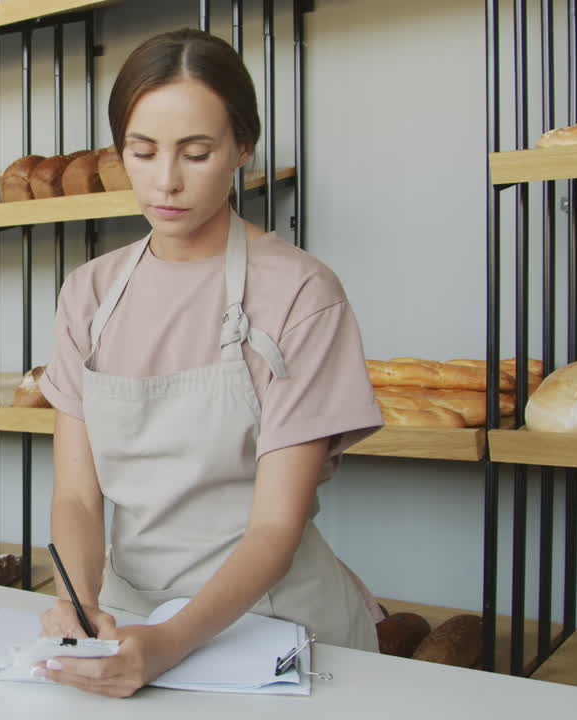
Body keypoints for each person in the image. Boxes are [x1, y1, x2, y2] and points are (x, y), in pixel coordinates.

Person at [34, 28, 384, 698]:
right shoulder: (90, 293)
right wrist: (79, 607)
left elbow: (274, 526)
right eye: (142, 152)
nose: (166, 181)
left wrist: (169, 644)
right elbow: (78, 495)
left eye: (197, 153)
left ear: (242, 149)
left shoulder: (301, 293)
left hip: (273, 628)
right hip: (128, 618)